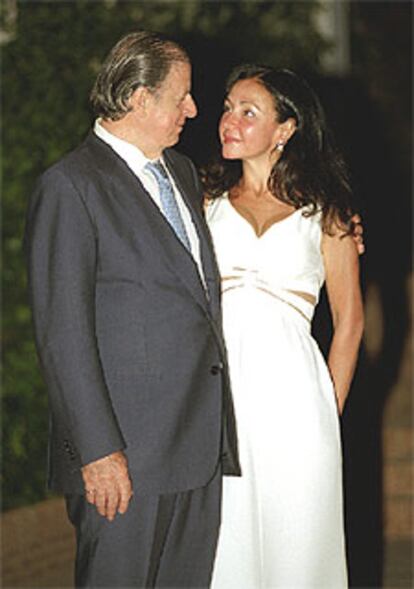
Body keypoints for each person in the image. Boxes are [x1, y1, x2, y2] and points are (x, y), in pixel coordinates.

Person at [25, 31, 241, 588]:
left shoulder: (183, 174)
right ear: (141, 99)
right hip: (124, 463)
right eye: (182, 97)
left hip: (196, 453)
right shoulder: (71, 186)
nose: (193, 111)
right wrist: (98, 452)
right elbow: (61, 332)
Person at [202, 65, 364, 588]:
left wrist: (326, 410)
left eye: (248, 112)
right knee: (227, 548)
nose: (229, 120)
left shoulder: (327, 214)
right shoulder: (203, 204)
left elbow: (351, 323)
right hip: (220, 405)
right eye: (228, 107)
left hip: (297, 407)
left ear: (285, 129)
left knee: (299, 548)